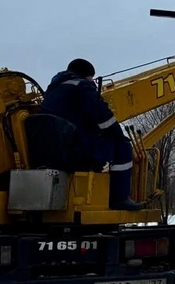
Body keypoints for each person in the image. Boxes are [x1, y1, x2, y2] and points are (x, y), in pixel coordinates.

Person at [40, 58, 143, 211]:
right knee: (123, 146)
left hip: (51, 150)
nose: (93, 81)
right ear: (87, 75)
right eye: (92, 78)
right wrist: (117, 134)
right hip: (75, 148)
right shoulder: (82, 86)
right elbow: (102, 115)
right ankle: (119, 198)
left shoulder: (53, 89)